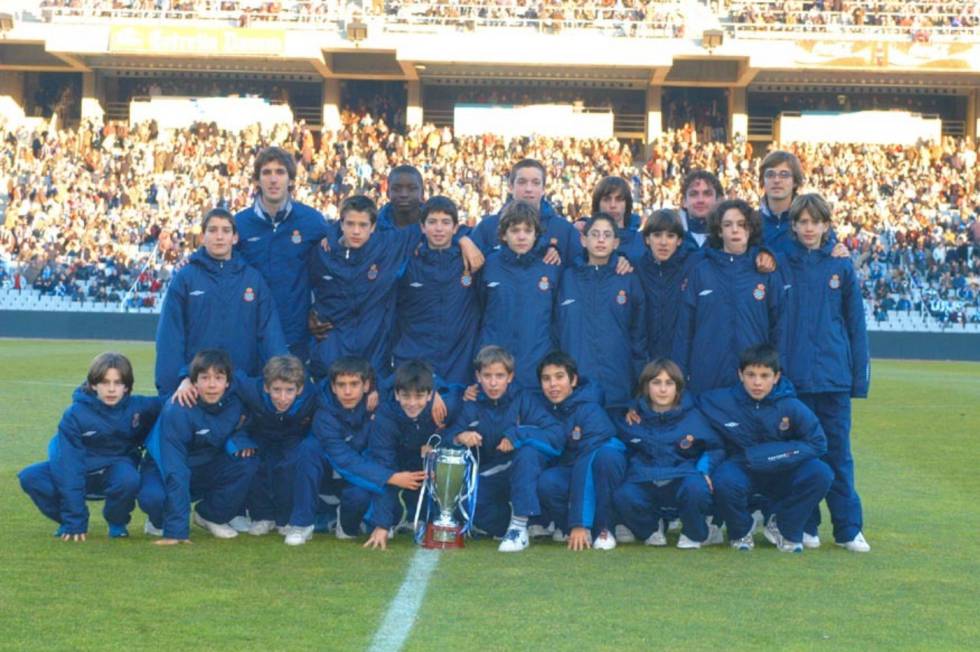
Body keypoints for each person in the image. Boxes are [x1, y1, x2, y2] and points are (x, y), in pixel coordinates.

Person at [781, 193, 871, 552]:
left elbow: (855, 324)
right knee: (802, 455)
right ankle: (807, 525)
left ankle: (848, 529)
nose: (808, 228)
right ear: (793, 225)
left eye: (815, 222)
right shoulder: (780, 264)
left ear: (826, 225)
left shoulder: (841, 265)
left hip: (833, 379)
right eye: (802, 221)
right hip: (794, 380)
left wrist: (858, 379)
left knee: (838, 455)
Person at [307, 195, 483, 379]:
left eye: (363, 225)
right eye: (350, 224)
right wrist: (309, 314)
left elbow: (443, 230)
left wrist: (464, 240)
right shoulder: (322, 253)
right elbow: (305, 286)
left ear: (373, 227)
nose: (356, 231)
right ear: (341, 224)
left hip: (374, 355)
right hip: (331, 352)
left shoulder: (388, 246)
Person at [699, 345, 833, 553]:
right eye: (751, 375)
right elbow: (685, 407)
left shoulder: (791, 405)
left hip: (783, 466)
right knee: (724, 479)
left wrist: (765, 456)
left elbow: (818, 443)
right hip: (742, 466)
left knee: (821, 473)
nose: (757, 382)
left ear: (776, 377)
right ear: (740, 375)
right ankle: (741, 530)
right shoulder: (718, 401)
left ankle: (784, 526)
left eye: (764, 375)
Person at [172, 354, 319, 536]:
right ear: (266, 387)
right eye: (276, 390)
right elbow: (212, 368)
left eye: (289, 390)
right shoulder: (250, 388)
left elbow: (328, 394)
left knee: (289, 466)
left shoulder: (311, 395)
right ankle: (262, 516)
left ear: (300, 389)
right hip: (259, 434)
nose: (282, 398)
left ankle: (284, 519)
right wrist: (186, 379)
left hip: (292, 436)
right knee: (252, 461)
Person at [19, 353, 161, 541]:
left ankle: (117, 523)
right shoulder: (74, 415)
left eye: (118, 383)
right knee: (30, 476)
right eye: (105, 382)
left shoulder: (139, 407)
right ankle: (68, 523)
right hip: (81, 469)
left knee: (129, 478)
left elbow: (171, 402)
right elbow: (69, 467)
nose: (111, 389)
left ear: (126, 386)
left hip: (115, 470)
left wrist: (188, 384)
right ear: (93, 384)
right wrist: (74, 519)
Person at [155, 207, 288, 398]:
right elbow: (170, 337)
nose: (219, 236)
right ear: (203, 237)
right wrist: (179, 380)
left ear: (235, 238)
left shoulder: (253, 279)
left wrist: (281, 378)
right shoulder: (185, 278)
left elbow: (270, 333)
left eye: (226, 231)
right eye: (213, 230)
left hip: (242, 389)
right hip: (196, 389)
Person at [446, 346, 563, 552]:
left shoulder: (524, 399)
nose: (493, 383)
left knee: (527, 452)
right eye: (487, 376)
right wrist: (459, 437)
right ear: (478, 376)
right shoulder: (472, 403)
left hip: (527, 468)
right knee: (465, 505)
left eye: (499, 376)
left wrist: (516, 435)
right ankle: (525, 523)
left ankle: (518, 527)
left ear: (510, 377)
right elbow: (447, 438)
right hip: (495, 471)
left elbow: (556, 434)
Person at [138, 349, 259, 544]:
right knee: (153, 498)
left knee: (247, 462)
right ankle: (159, 521)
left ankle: (210, 515)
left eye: (218, 378)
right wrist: (177, 532)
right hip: (164, 467)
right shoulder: (178, 409)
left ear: (228, 382)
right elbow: (175, 469)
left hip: (203, 465)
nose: (212, 385)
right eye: (205, 378)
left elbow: (248, 422)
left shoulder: (236, 403)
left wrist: (241, 440)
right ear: (193, 381)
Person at [673, 199, 786, 394]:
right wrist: (679, 377)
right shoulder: (701, 271)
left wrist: (777, 371)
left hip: (753, 380)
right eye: (727, 225)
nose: (735, 230)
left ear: (750, 229)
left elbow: (780, 327)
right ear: (719, 231)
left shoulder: (765, 271)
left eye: (741, 224)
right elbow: (684, 330)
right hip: (707, 377)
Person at [614, 359, 723, 549]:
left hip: (682, 476)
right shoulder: (632, 418)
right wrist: (629, 408)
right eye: (656, 383)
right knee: (623, 495)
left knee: (696, 488)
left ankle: (694, 532)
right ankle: (651, 528)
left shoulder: (694, 416)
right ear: (646, 386)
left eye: (669, 383)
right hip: (645, 477)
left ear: (678, 388)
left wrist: (704, 469)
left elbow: (715, 447)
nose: (663, 389)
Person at [283, 357, 392, 546]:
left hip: (357, 479)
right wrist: (389, 477)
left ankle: (348, 524)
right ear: (333, 387)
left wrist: (438, 394)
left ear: (367, 385)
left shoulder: (380, 405)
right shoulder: (323, 412)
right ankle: (301, 524)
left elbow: (408, 377)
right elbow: (343, 458)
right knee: (309, 447)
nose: (347, 392)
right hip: (331, 474)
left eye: (354, 384)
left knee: (360, 496)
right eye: (341, 385)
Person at [235, 146, 331, 359]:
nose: (273, 179)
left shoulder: (312, 221)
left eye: (280, 172)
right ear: (257, 180)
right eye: (266, 172)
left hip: (296, 334)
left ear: (291, 180)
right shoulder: (239, 225)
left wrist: (319, 309)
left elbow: (331, 267)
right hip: (251, 333)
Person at [363, 360, 461, 550]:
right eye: (406, 396)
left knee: (443, 472)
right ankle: (387, 518)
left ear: (430, 395)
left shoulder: (445, 406)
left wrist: (437, 442)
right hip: (395, 462)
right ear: (396, 395)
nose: (412, 403)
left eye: (419, 396)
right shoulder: (385, 416)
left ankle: (435, 518)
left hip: (423, 464)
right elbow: (384, 463)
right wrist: (382, 525)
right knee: (367, 490)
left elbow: (460, 416)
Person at [535, 352, 627, 551]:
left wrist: (580, 521)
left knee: (607, 458)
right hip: (570, 468)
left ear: (573, 380)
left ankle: (604, 528)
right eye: (546, 379)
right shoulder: (540, 407)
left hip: (596, 465)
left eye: (559, 377)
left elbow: (587, 460)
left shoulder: (590, 409)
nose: (553, 384)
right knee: (548, 482)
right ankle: (566, 527)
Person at [556, 213, 647, 411]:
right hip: (576, 388)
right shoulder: (566, 278)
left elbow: (639, 337)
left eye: (607, 235)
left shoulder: (628, 279)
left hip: (619, 386)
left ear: (616, 243)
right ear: (583, 240)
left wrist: (639, 384)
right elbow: (555, 330)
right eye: (595, 234)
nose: (600, 240)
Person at [391, 196, 481, 385]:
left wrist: (465, 240)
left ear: (455, 228)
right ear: (422, 227)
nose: (439, 229)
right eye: (432, 222)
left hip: (459, 365)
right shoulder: (408, 263)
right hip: (416, 362)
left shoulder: (469, 262)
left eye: (445, 222)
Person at [477, 200, 560, 390]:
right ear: (503, 235)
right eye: (515, 230)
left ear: (536, 234)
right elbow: (479, 306)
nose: (521, 236)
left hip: (536, 363)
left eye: (527, 230)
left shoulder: (551, 265)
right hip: (495, 365)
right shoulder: (489, 265)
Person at [470, 158, 582, 263]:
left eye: (536, 183)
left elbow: (584, 266)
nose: (529, 189)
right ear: (510, 187)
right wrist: (463, 240)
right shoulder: (488, 227)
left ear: (543, 189)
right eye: (522, 182)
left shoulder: (564, 230)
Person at [635, 209, 699, 361]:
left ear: (679, 240)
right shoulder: (636, 268)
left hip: (682, 360)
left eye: (670, 236)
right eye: (657, 235)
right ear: (647, 239)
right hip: (647, 361)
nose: (663, 242)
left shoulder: (692, 266)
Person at [376, 165, 425, 230]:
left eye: (412, 188)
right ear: (388, 193)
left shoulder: (435, 227)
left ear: (422, 193)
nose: (404, 195)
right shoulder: (373, 227)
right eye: (396, 189)